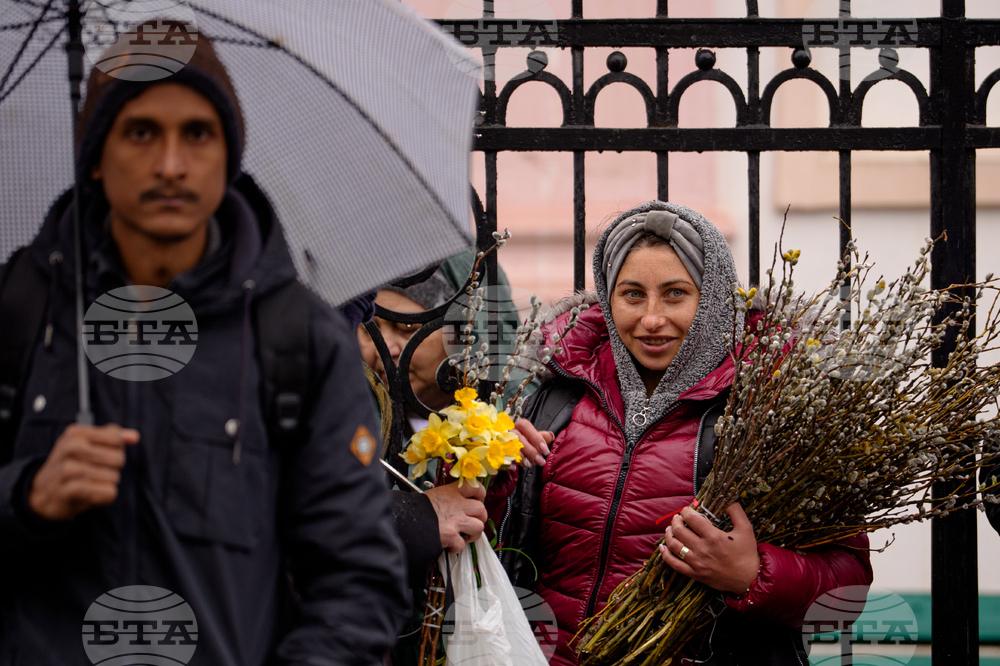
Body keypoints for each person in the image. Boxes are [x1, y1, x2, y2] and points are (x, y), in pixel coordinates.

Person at [0, 38, 408, 665]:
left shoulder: (298, 338)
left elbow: (356, 585)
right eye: (140, 133)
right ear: (96, 158)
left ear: (229, 157)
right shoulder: (19, 310)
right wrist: (27, 497)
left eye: (197, 134)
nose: (170, 164)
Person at [498, 202, 874, 665]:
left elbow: (847, 587)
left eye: (675, 294)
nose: (651, 319)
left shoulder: (770, 410)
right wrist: (492, 474)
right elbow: (494, 550)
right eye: (632, 294)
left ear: (712, 298)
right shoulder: (559, 398)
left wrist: (751, 574)